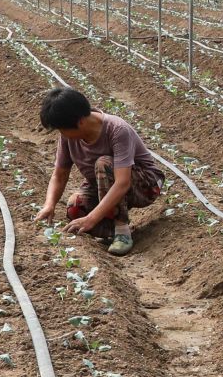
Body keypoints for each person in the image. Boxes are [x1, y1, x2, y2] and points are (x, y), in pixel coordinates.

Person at [33, 87, 164, 256]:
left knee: (104, 163)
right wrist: (49, 205)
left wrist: (92, 218)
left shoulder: (117, 130)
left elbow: (122, 182)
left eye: (62, 129)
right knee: (75, 209)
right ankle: (110, 232)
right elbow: (60, 174)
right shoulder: (67, 137)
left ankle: (122, 232)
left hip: (145, 184)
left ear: (80, 121)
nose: (61, 133)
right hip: (102, 184)